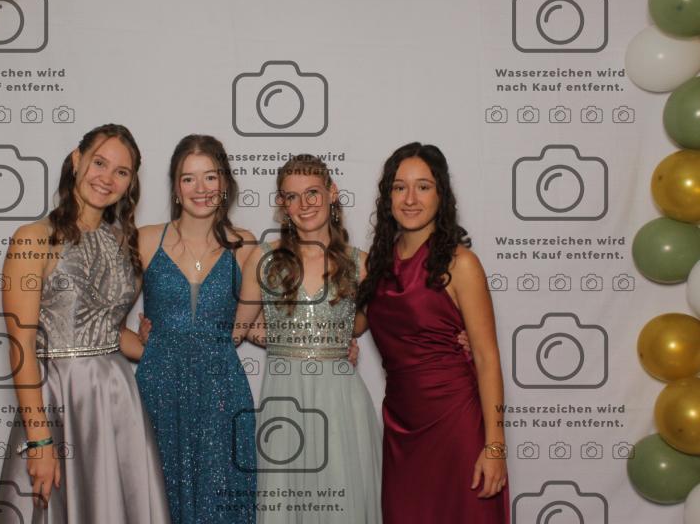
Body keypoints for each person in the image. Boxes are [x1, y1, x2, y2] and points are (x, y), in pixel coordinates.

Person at [0, 124, 170, 523]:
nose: (107, 178)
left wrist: (162, 347)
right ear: (77, 160)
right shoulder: (33, 238)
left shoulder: (122, 242)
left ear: (130, 182)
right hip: (58, 397)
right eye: (99, 163)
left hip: (118, 399)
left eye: (121, 172)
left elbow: (109, 333)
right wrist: (39, 440)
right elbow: (20, 345)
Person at [358, 143, 509, 524]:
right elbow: (355, 324)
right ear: (387, 197)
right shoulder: (376, 266)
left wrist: (495, 447)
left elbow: (487, 359)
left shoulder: (461, 264)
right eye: (400, 187)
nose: (410, 199)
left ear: (441, 195)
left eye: (423, 187)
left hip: (455, 424)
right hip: (400, 428)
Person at [232, 154, 382, 524]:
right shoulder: (264, 259)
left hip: (342, 404)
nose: (304, 204)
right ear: (282, 205)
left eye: (312, 192)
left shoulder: (362, 263)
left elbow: (369, 323)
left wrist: (453, 338)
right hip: (285, 401)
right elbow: (238, 329)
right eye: (292, 197)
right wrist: (291, 340)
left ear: (332, 192)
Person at [127, 134, 257, 524]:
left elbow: (249, 329)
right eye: (188, 178)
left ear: (225, 183)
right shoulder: (145, 240)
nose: (200, 189)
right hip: (158, 389)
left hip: (222, 394)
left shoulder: (245, 245)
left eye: (210, 177)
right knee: (158, 498)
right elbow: (103, 322)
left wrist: (323, 342)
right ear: (175, 188)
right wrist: (153, 348)